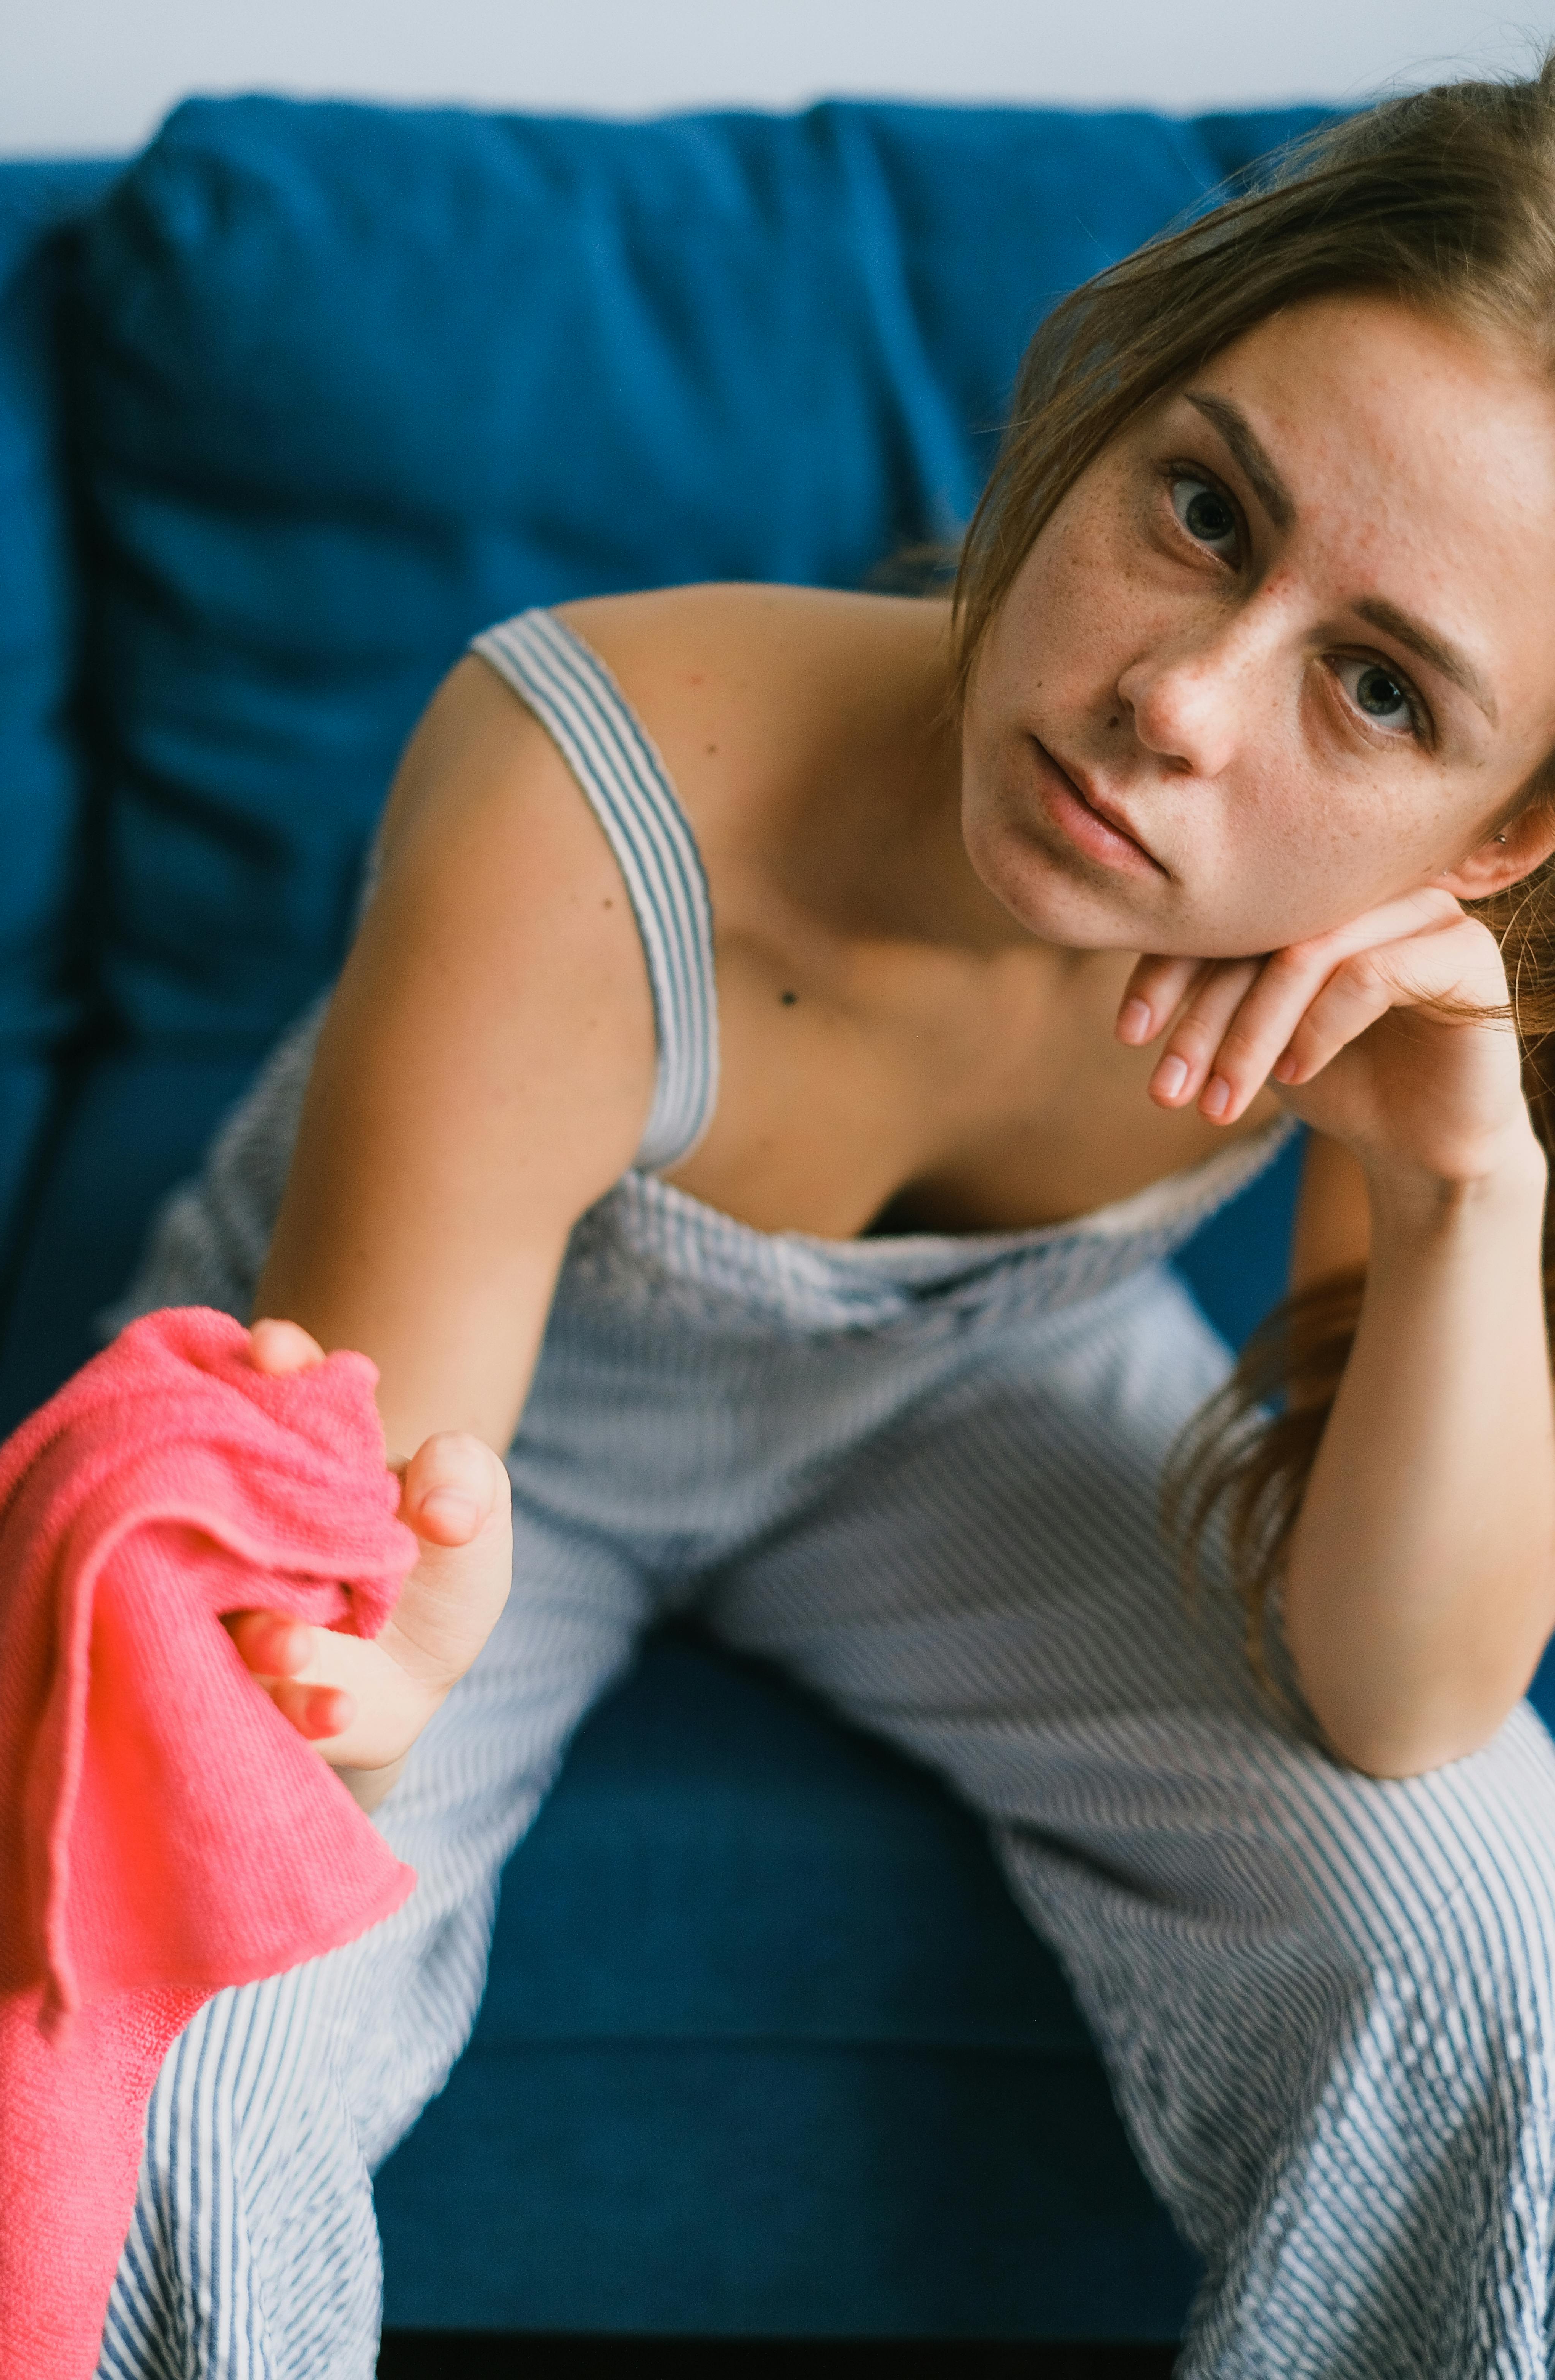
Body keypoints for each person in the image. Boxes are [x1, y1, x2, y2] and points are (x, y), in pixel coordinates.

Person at [97, 59, 1555, 2380]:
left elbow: (1401, 1706)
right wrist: (349, 1679)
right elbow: (345, 1673)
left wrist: (1462, 1181)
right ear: (1100, 405)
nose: (1176, 703)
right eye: (1199, 505)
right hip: (470, 1447)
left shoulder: (1405, 999)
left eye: (1378, 692)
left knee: (1489, 1917)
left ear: (1495, 841)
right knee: (173, 2031)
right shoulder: (574, 786)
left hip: (973, 1405)